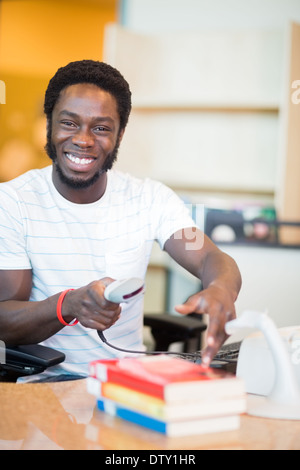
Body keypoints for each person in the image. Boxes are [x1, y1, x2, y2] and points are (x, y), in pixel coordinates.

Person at [0, 60, 241, 381]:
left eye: (101, 128)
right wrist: (68, 305)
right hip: (45, 388)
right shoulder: (13, 202)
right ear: (50, 124)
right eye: (69, 123)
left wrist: (221, 289)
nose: (83, 140)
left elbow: (210, 256)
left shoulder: (150, 199)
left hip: (126, 385)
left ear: (120, 134)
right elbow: (4, 318)